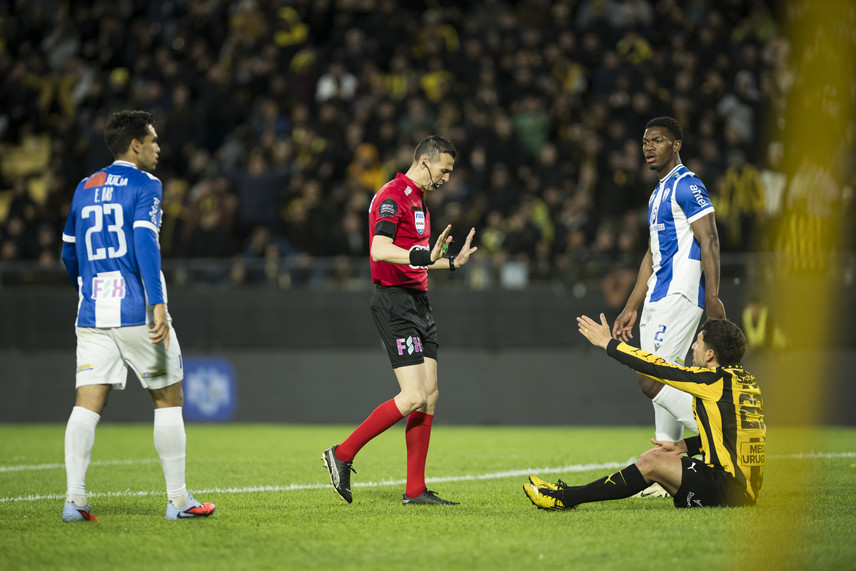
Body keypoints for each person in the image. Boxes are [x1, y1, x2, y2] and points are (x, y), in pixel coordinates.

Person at [60, 110, 215, 522]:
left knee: (87, 404)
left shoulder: (84, 186)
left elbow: (68, 253)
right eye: (153, 141)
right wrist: (157, 303)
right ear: (135, 145)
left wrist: (87, 286)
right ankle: (178, 501)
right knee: (169, 399)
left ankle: (74, 501)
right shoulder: (146, 184)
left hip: (92, 311)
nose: (158, 148)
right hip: (136, 309)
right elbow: (146, 242)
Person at [322, 135, 477, 505]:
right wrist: (425, 256)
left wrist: (450, 262)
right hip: (395, 302)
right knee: (413, 396)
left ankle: (415, 490)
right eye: (444, 170)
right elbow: (380, 249)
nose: (446, 178)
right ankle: (341, 453)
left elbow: (416, 257)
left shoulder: (418, 200)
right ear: (424, 162)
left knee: (430, 395)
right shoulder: (393, 196)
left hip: (418, 301)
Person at [524, 314, 765, 511]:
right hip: (740, 489)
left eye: (698, 342)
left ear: (710, 354)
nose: (694, 346)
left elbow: (656, 367)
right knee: (658, 462)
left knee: (651, 463)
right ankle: (565, 494)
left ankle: (565, 498)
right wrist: (683, 446)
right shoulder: (746, 382)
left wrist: (608, 343)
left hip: (728, 489)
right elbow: (733, 436)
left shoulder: (712, 381)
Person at [612, 117, 726, 496]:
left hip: (681, 293)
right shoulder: (657, 193)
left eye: (658, 140)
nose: (649, 147)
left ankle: (726, 434)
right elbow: (652, 253)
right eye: (645, 141)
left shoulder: (687, 184)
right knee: (666, 377)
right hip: (657, 297)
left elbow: (709, 239)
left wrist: (713, 296)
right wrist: (632, 305)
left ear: (676, 145)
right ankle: (666, 472)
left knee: (651, 379)